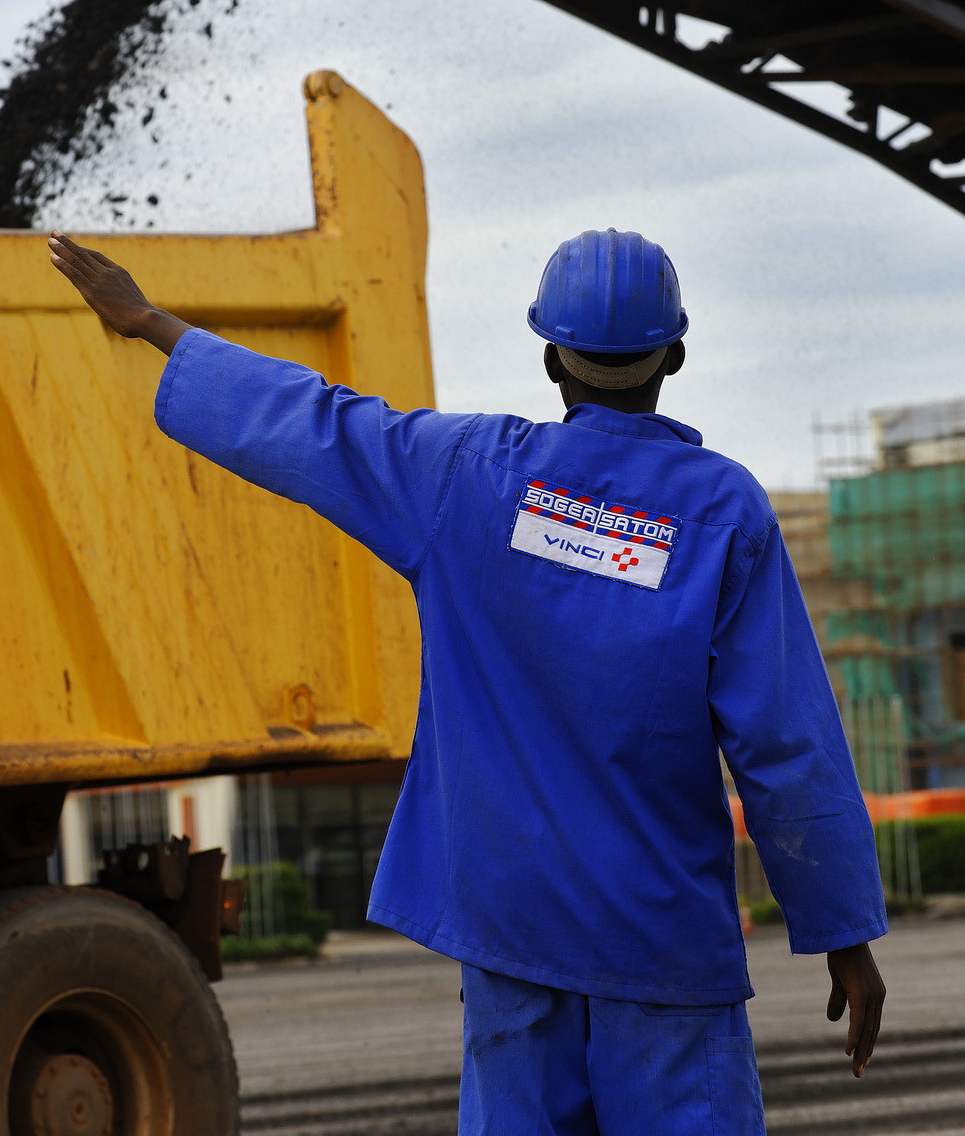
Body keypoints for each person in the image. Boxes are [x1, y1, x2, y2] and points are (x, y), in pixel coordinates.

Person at [48, 224, 887, 1136]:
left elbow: (310, 419)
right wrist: (844, 933)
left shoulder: (466, 476)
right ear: (673, 354)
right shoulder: (723, 512)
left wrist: (149, 321)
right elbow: (786, 745)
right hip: (659, 941)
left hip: (510, 924)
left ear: (550, 359)